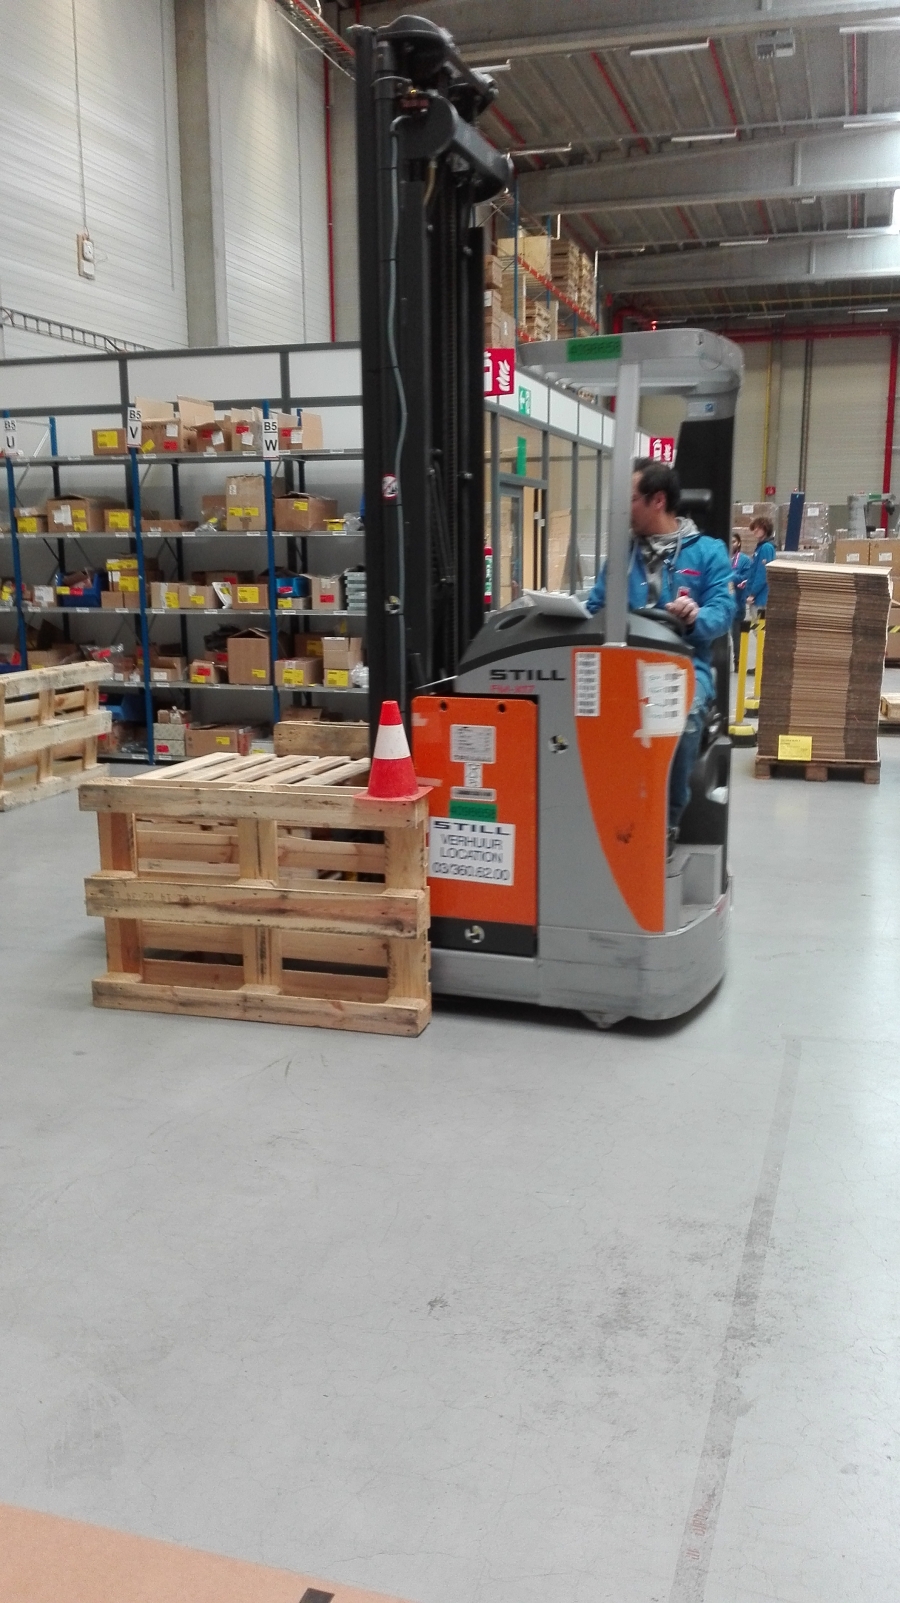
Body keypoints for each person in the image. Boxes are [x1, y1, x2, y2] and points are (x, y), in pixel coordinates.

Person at [585, 458, 735, 837]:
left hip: (682, 665)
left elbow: (723, 609)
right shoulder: (622, 556)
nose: (624, 510)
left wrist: (695, 617)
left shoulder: (708, 552)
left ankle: (666, 821)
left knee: (681, 716)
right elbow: (596, 606)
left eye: (631, 499)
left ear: (658, 501)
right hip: (624, 662)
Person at [745, 514, 776, 614]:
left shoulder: (766, 547)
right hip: (758, 597)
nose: (755, 530)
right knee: (756, 623)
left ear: (766, 529)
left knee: (759, 623)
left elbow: (762, 573)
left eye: (759, 528)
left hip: (760, 598)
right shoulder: (760, 547)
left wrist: (753, 594)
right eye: (754, 528)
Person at [731, 532, 751, 670]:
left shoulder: (744, 560)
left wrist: (729, 576)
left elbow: (745, 578)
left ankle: (738, 661)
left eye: (734, 541)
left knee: (736, 635)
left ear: (738, 543)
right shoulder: (721, 558)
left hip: (737, 603)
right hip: (722, 602)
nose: (731, 544)